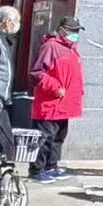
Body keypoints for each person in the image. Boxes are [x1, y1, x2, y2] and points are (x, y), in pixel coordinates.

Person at [30, 15, 85, 182]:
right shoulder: (50, 47)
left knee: (58, 137)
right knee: (44, 138)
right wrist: (55, 88)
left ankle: (51, 166)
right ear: (62, 30)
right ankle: (37, 170)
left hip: (64, 104)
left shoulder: (71, 49)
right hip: (50, 103)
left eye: (77, 31)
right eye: (72, 31)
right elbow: (37, 73)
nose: (75, 34)